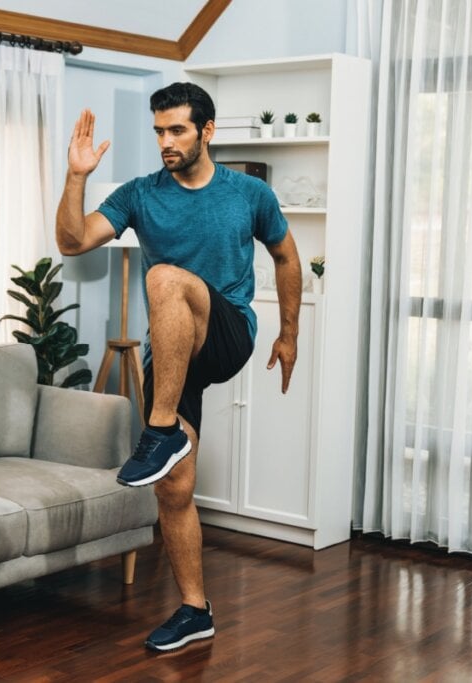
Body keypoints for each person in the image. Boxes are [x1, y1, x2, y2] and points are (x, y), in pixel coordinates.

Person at [54, 82, 302, 652]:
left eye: (177, 131)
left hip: (227, 330)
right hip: (170, 354)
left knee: (163, 276)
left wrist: (289, 334)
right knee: (174, 488)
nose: (165, 142)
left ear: (206, 131)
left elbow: (286, 256)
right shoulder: (142, 194)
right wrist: (77, 176)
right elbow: (72, 241)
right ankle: (196, 610)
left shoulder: (248, 194)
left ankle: (160, 432)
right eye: (159, 131)